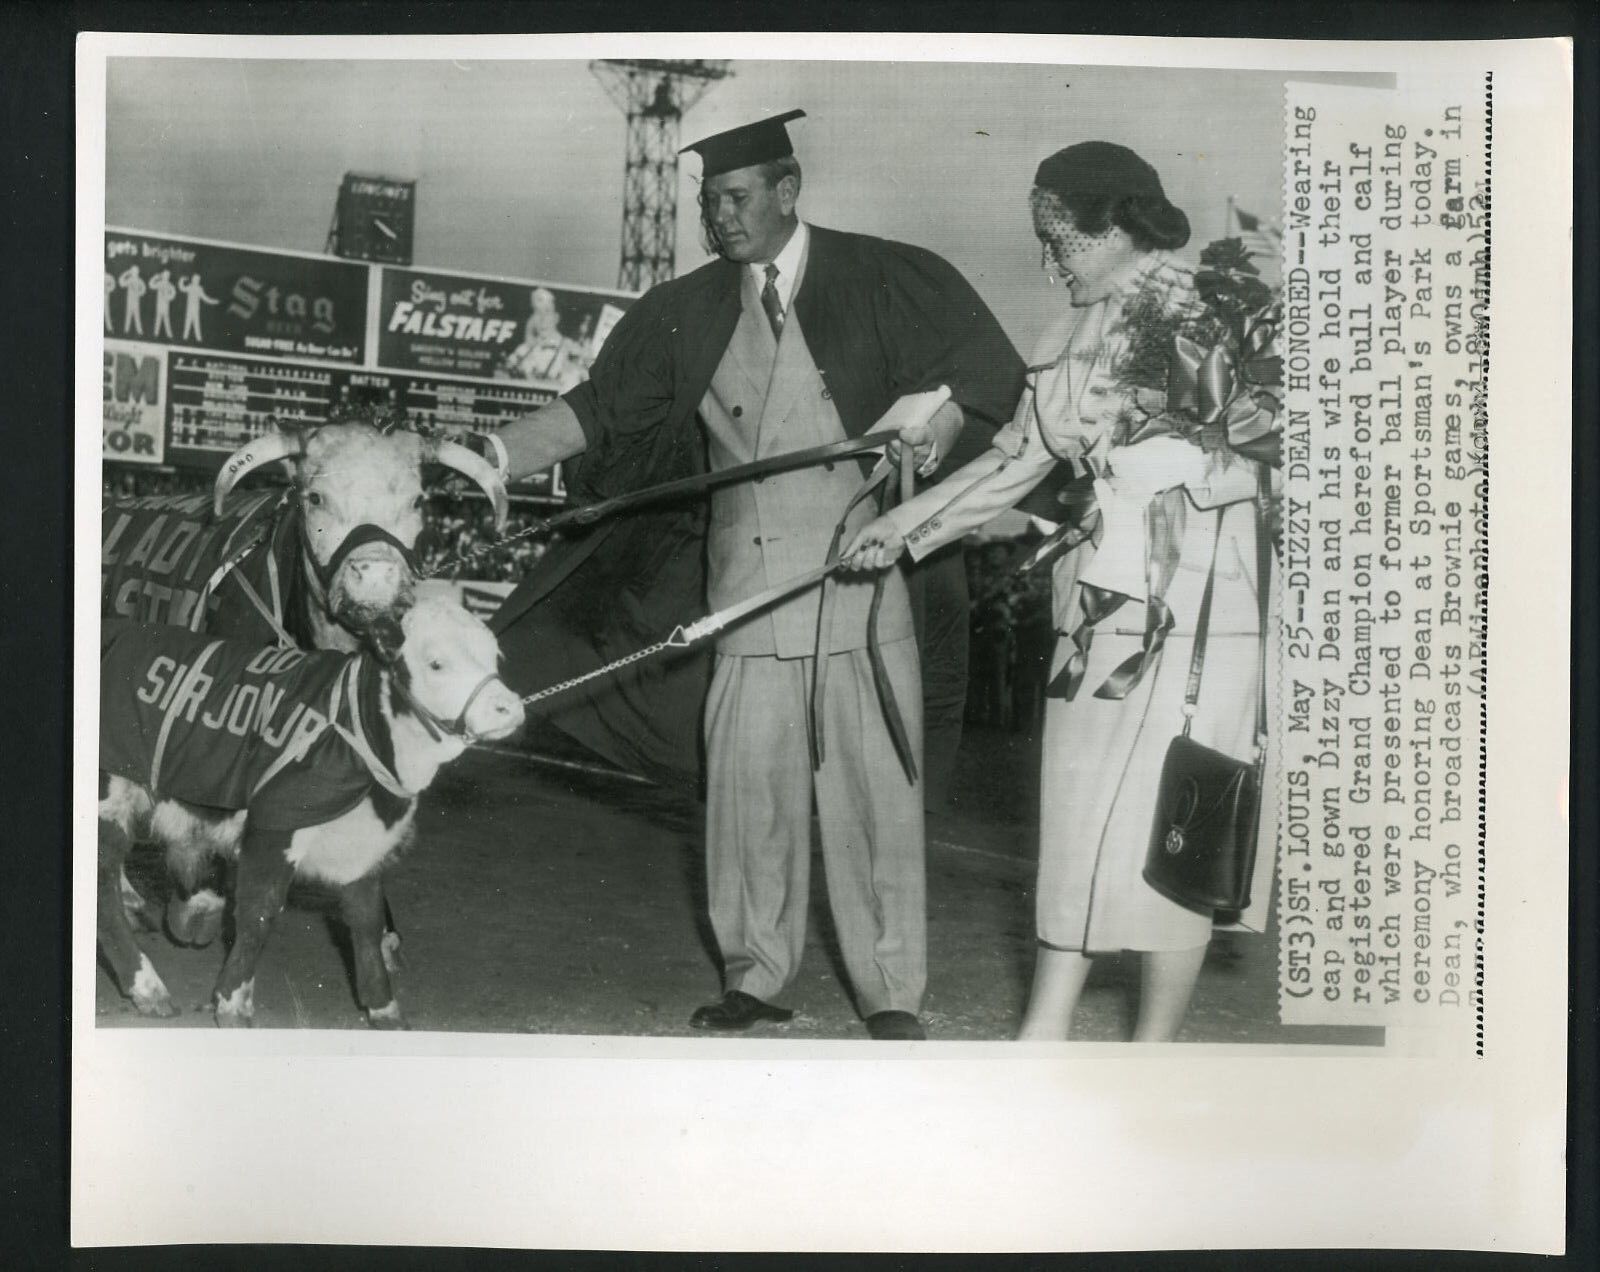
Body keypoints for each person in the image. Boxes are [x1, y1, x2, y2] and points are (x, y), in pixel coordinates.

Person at [480, 110, 1023, 1040]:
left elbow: (989, 380)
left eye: (734, 197)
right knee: (745, 800)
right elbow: (596, 413)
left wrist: (935, 432)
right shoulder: (685, 310)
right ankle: (756, 973)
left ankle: (891, 990)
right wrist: (488, 455)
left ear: (787, 188)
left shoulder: (887, 275)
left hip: (859, 585)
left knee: (872, 799)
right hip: (743, 597)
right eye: (707, 200)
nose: (717, 216)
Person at [844, 142, 1276, 1042]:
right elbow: (1014, 462)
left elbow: (1292, 451)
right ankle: (1042, 1035)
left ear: (1115, 228)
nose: (1046, 262)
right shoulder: (1067, 332)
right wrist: (903, 527)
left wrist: (1203, 467)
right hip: (1095, 611)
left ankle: (1148, 1056)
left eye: (1058, 241)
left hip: (1199, 612)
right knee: (1075, 819)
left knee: (1175, 825)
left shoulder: (1217, 307)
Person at [500, 287, 587, 390]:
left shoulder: (571, 349)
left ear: (556, 317)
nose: (542, 319)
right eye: (537, 313)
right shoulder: (523, 350)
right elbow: (501, 375)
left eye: (547, 312)